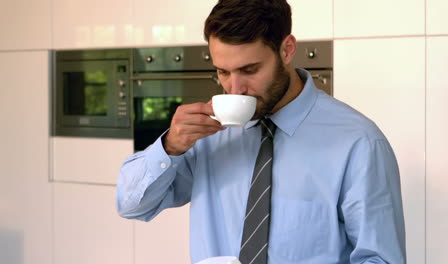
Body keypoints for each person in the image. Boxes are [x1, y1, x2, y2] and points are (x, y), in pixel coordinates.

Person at [116, 0, 406, 263]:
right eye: (223, 72)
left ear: (287, 50)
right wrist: (170, 146)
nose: (235, 88)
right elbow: (132, 207)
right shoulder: (208, 133)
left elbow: (382, 259)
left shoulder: (358, 142)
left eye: (250, 70)